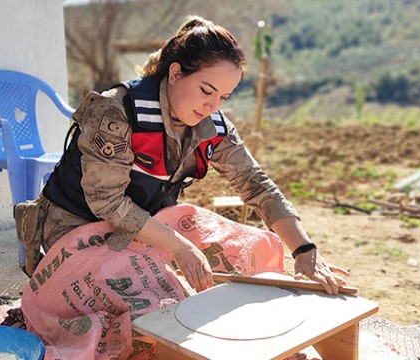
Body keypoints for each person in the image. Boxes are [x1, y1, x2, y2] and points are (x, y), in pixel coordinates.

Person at [18, 15, 350, 359]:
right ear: (175, 73)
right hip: (77, 225)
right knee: (158, 314)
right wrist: (179, 247)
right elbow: (107, 202)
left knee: (249, 258)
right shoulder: (117, 111)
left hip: (145, 225)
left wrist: (304, 250)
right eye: (207, 90)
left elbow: (256, 185)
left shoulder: (212, 126)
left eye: (223, 96)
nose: (212, 106)